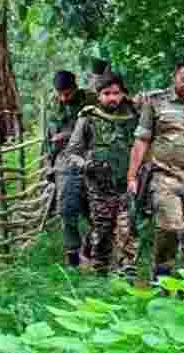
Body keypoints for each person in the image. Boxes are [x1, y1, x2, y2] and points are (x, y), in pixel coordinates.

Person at [128, 57, 184, 280]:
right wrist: (132, 176)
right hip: (165, 175)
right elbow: (142, 139)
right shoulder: (156, 102)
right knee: (170, 226)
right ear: (174, 77)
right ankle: (162, 276)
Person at [60, 73, 139, 276]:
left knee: (128, 228)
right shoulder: (88, 118)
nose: (112, 98)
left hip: (127, 183)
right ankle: (100, 271)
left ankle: (127, 273)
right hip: (99, 186)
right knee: (103, 230)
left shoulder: (133, 115)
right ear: (98, 95)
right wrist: (87, 165)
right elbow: (72, 152)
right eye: (107, 93)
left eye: (116, 93)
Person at [45, 70, 94, 267]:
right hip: (64, 160)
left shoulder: (91, 100)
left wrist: (67, 135)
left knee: (95, 209)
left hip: (90, 156)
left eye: (67, 93)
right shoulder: (53, 104)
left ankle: (92, 245)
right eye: (60, 94)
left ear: (75, 88)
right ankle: (73, 255)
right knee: (66, 208)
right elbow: (48, 135)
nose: (63, 98)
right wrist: (49, 165)